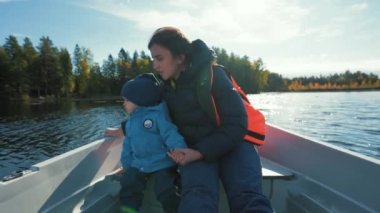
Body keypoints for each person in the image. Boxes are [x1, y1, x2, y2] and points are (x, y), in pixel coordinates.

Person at [148, 26, 274, 213]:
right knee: (197, 196)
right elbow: (149, 119)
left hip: (235, 144)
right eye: (153, 59)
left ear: (180, 57)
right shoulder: (166, 89)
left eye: (159, 58)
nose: (155, 65)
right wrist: (125, 131)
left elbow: (237, 125)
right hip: (196, 148)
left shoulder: (213, 75)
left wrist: (199, 152)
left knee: (247, 196)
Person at [105, 73, 187, 213]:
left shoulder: (158, 116)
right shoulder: (130, 122)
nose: (123, 104)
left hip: (163, 162)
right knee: (128, 185)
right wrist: (127, 165)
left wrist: (179, 149)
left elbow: (170, 134)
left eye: (126, 100)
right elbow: (128, 146)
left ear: (139, 99)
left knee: (166, 189)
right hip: (139, 164)